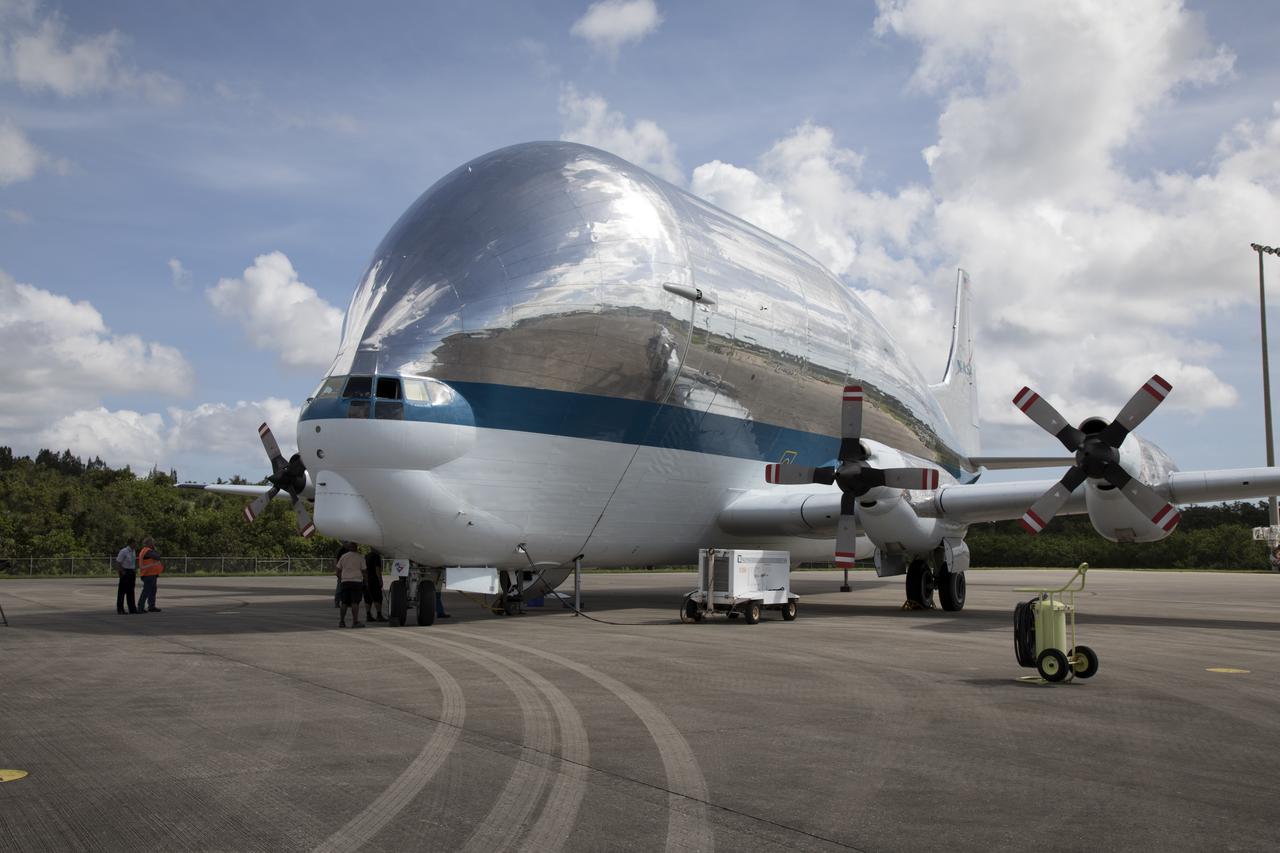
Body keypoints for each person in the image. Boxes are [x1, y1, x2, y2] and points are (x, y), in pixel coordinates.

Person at [336, 542, 366, 628]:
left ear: (349, 548)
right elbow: (364, 570)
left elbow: (338, 569)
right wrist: (365, 580)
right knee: (355, 602)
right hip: (356, 581)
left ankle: (342, 621)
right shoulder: (360, 557)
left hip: (345, 581)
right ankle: (355, 621)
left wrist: (341, 578)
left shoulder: (343, 556)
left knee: (344, 602)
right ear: (356, 548)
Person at [136, 538, 164, 612]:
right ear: (149, 543)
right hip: (149, 574)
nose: (154, 544)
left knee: (152, 590)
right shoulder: (148, 551)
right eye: (153, 543)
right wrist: (155, 550)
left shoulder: (144, 550)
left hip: (150, 574)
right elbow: (157, 557)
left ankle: (151, 606)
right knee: (146, 591)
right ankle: (141, 607)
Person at [114, 538, 138, 614]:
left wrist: (134, 570)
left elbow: (133, 562)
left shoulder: (133, 551)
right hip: (125, 572)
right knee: (122, 592)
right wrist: (121, 572)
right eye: (135, 543)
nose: (136, 544)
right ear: (131, 543)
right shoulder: (124, 551)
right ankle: (120, 609)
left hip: (131, 572)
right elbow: (118, 562)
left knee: (131, 591)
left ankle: (132, 609)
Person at [363, 549, 386, 622]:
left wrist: (365, 579)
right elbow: (377, 568)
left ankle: (368, 615)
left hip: (366, 579)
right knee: (377, 597)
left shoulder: (366, 556)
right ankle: (379, 615)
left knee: (367, 598)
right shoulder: (376, 556)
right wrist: (380, 580)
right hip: (374, 579)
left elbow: (364, 569)